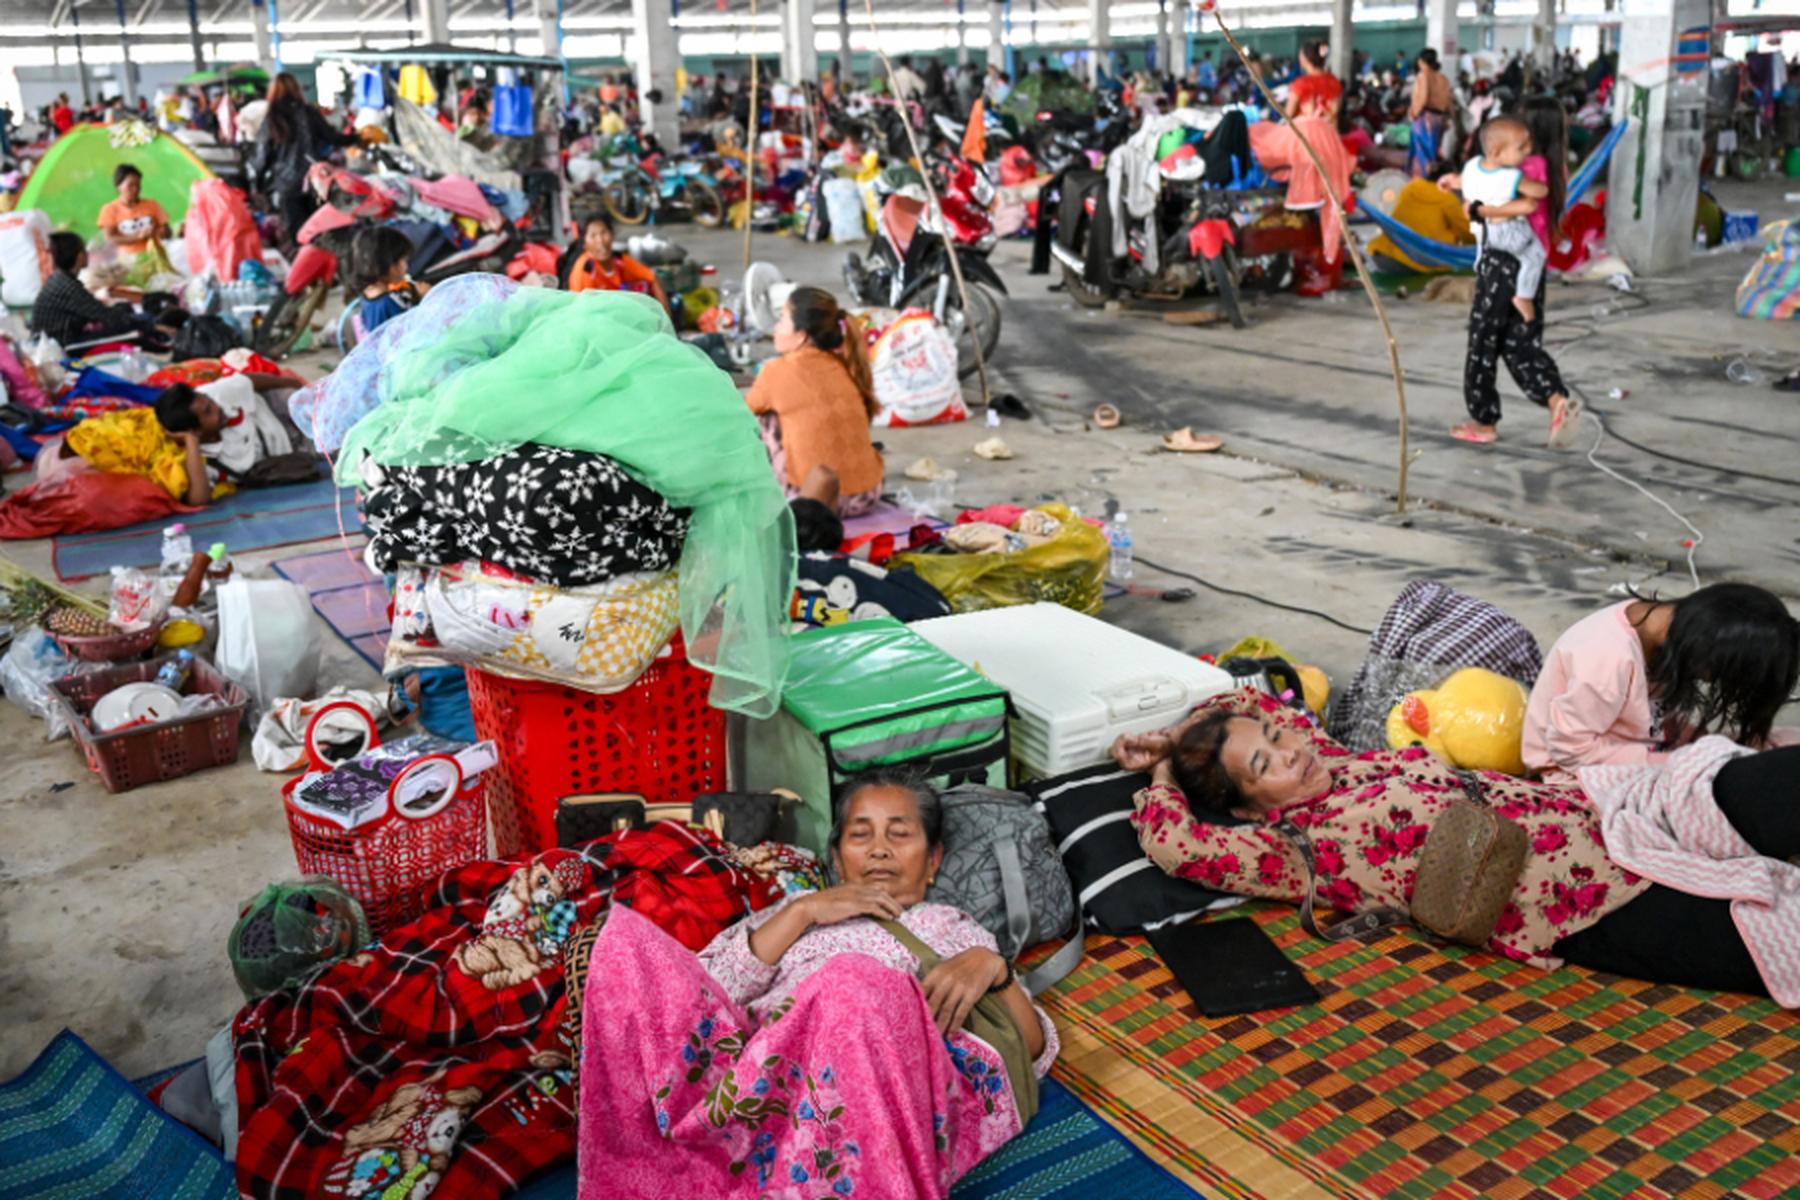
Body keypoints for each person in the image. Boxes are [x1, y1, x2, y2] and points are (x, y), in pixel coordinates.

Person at [1118, 688, 1800, 998]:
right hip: (1585, 905)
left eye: (1281, 740)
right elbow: (1177, 845)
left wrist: (1176, 735)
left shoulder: (1333, 756)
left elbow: (1250, 701)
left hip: (1606, 809)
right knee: (1778, 932)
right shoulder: (1289, 849)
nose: (1290, 752)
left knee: (1766, 786)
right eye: (1265, 766)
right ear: (1247, 806)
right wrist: (1162, 771)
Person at [576, 770, 1057, 1198]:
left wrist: (993, 966)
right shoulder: (793, 911)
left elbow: (1029, 1046)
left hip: (872, 1081)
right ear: (836, 857)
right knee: (622, 944)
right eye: (860, 835)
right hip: (758, 1079)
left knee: (851, 982)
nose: (880, 849)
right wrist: (803, 912)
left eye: (900, 834)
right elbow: (703, 993)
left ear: (933, 861)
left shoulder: (947, 925)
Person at [1524, 584, 1800, 783]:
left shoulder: (1666, 627)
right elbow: (1570, 751)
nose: (1709, 680)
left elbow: (1654, 720)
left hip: (1648, 750)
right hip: (1574, 772)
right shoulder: (1607, 661)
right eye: (1717, 675)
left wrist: (1702, 741)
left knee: (1784, 745)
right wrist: (1677, 763)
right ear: (1706, 650)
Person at [1452, 100, 1578, 447]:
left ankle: (1484, 421)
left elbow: (1508, 206)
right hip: (1532, 268)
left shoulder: (1520, 169)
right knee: (1520, 343)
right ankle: (1555, 399)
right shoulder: (1556, 167)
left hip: (1501, 260)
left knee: (1482, 342)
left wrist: (1477, 209)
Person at [744, 286, 885, 518]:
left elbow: (739, 417)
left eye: (782, 319)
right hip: (867, 495)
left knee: (762, 421)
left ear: (802, 335)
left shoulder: (776, 371)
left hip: (813, 501)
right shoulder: (843, 365)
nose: (776, 328)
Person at [1453, 116, 1548, 324]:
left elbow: (1462, 182)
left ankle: (1480, 263)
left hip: (1481, 233)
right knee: (1536, 255)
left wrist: (1451, 181)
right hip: (1507, 232)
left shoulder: (1472, 165)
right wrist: (1539, 188)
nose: (1528, 151)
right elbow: (1540, 191)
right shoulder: (1511, 176)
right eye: (1521, 148)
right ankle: (1524, 296)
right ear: (1497, 153)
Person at [253, 72, 359, 254]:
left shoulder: (271, 118)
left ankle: (304, 268)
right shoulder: (309, 113)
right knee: (319, 227)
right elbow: (333, 138)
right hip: (316, 181)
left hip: (286, 184)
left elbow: (263, 155)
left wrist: (258, 183)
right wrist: (358, 137)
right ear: (296, 89)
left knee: (297, 232)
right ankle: (324, 269)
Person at [151, 375, 299, 505]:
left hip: (276, 410)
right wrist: (191, 440)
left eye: (210, 402)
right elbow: (199, 500)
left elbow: (249, 381)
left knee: (295, 398)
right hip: (293, 452)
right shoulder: (197, 458)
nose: (217, 408)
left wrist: (298, 385)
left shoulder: (215, 393)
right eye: (208, 412)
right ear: (195, 431)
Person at [28, 231, 141, 350]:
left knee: (123, 310)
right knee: (132, 329)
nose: (87, 254)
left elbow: (93, 309)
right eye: (84, 250)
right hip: (62, 347)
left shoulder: (60, 279)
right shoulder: (68, 287)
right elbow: (108, 317)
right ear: (79, 256)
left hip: (56, 340)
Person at [1366, 168, 1475, 274]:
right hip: (1412, 262)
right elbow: (1465, 232)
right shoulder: (1448, 199)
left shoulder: (1410, 188)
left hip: (1381, 254)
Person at [562, 214, 667, 306]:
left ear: (612, 235)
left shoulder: (618, 260)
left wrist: (666, 321)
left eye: (604, 233)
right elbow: (585, 311)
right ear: (584, 243)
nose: (600, 241)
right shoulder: (585, 270)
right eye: (593, 236)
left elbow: (652, 278)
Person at [348, 225, 427, 336]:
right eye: (404, 260)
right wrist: (423, 298)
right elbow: (413, 330)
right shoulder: (388, 303)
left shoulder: (367, 296)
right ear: (388, 265)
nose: (406, 266)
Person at [97, 163, 171, 258]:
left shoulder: (152, 204)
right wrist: (138, 237)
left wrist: (159, 233)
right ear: (118, 186)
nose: (135, 189)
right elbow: (110, 239)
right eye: (130, 186)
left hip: (156, 255)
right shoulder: (109, 209)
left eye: (138, 185)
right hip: (128, 259)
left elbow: (168, 232)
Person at [1407, 48, 1453, 177]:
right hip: (1438, 118)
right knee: (1433, 151)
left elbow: (1422, 98)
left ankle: (1421, 180)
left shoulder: (1423, 75)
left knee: (1421, 153)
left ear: (1421, 61)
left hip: (1424, 118)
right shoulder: (1443, 78)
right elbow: (1448, 100)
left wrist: (1414, 114)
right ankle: (1432, 178)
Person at [1285, 38, 1342, 122]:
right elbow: (1336, 111)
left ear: (1305, 59)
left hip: (1305, 133)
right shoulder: (1334, 81)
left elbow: (1288, 116)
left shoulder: (1300, 84)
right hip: (1329, 133)